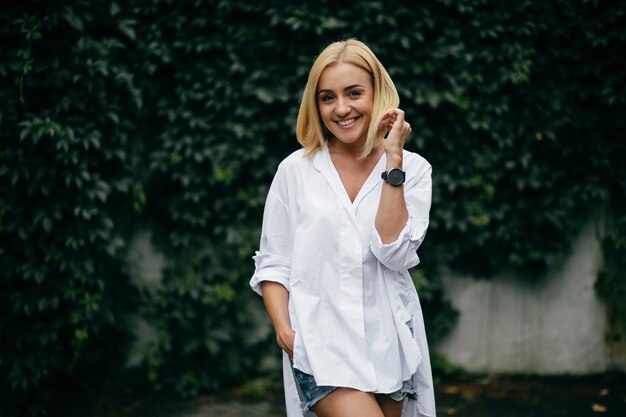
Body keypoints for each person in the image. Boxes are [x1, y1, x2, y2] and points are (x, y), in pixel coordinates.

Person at [250, 39, 436, 417]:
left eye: (354, 93)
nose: (341, 108)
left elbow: (394, 251)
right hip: (321, 345)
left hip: (388, 344)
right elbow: (273, 262)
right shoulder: (295, 171)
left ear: (377, 94)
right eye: (327, 97)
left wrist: (393, 161)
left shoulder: (413, 169)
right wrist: (286, 331)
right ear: (315, 105)